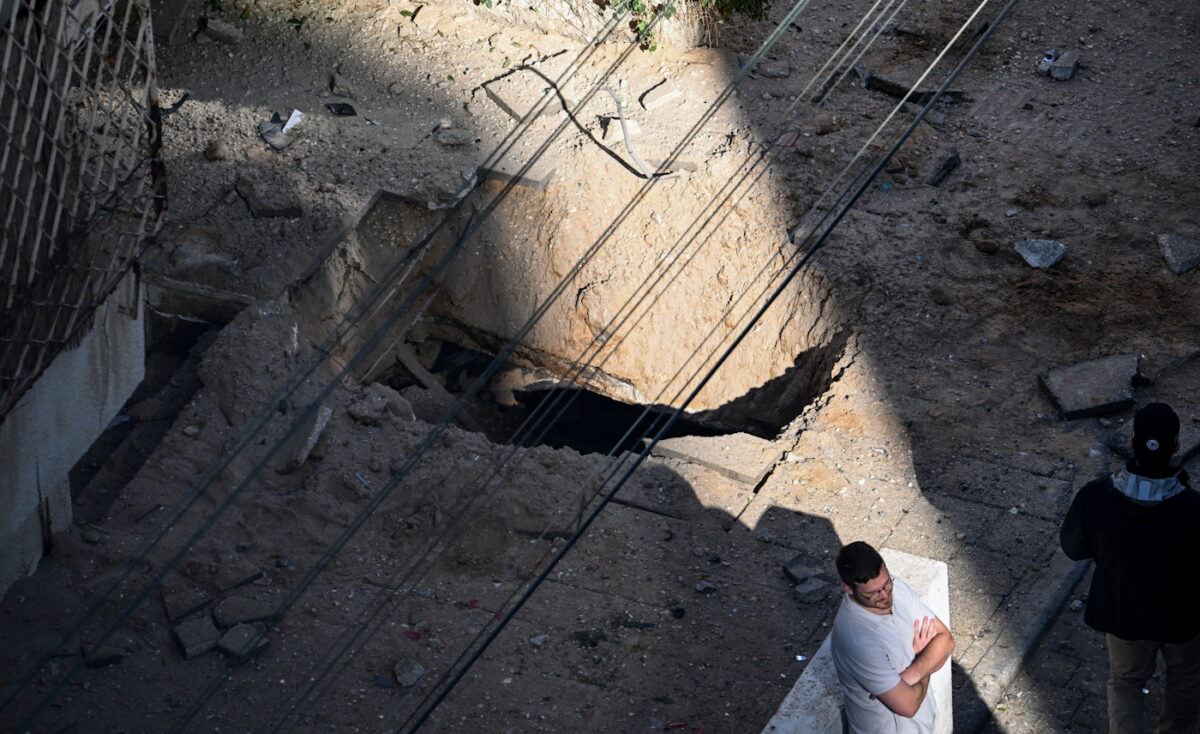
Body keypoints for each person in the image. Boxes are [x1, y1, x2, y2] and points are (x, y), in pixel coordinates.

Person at [1060, 402, 1200, 734]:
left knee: (1126, 681)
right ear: (1176, 446)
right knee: (1185, 678)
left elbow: (1074, 548)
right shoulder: (1195, 508)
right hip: (1182, 618)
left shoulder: (1096, 497)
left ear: (1132, 443)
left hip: (1124, 613)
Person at [830, 541, 955, 734]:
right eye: (872, 593)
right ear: (848, 588)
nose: (884, 596)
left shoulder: (897, 588)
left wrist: (911, 675)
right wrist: (925, 660)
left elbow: (945, 639)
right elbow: (908, 706)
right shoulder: (857, 639)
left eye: (886, 584)